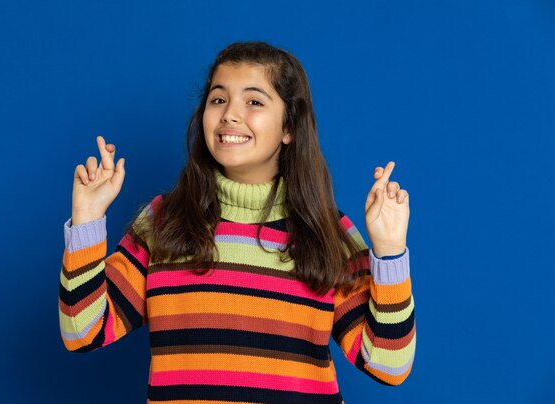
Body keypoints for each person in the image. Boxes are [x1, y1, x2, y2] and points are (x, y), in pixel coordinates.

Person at [59, 41, 415, 403]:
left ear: (289, 126)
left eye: (254, 101)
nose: (230, 114)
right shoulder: (163, 220)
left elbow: (388, 364)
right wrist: (87, 218)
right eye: (218, 99)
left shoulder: (327, 233)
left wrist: (389, 252)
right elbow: (84, 331)